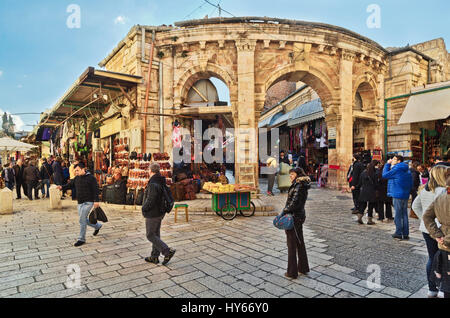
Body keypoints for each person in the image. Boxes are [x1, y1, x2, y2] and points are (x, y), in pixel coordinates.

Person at [412, 165, 449, 298]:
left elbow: (415, 206)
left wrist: (424, 220)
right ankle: (442, 288)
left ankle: (431, 288)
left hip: (427, 229)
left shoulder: (425, 190)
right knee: (444, 260)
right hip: (441, 230)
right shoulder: (443, 191)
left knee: (432, 258)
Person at [59, 162, 103, 247]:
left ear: (84, 169)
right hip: (80, 203)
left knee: (81, 220)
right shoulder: (76, 178)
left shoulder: (91, 178)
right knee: (83, 219)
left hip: (88, 202)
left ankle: (81, 239)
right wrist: (61, 187)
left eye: (78, 170)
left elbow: (95, 190)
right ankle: (97, 226)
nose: (76, 172)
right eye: (75, 171)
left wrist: (96, 201)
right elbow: (69, 185)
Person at [142, 163, 176, 266]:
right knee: (155, 234)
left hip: (153, 212)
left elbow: (151, 199)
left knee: (150, 235)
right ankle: (154, 257)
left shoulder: (153, 183)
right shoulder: (160, 180)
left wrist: (144, 208)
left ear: (150, 171)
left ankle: (167, 251)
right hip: (160, 211)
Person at [423, 175, 450, 299]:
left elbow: (426, 216)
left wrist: (438, 235)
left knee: (446, 280)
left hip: (443, 244)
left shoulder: (441, 198)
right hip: (445, 242)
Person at [281, 168, 310, 279]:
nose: (290, 176)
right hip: (298, 216)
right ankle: (303, 267)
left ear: (297, 175)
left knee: (291, 244)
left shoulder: (299, 186)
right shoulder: (300, 184)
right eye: (290, 174)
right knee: (299, 242)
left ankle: (292, 272)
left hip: (294, 217)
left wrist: (284, 211)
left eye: (292, 174)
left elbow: (294, 203)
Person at [382, 155, 413, 240]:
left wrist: (387, 164)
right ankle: (405, 233)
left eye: (394, 159)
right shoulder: (407, 169)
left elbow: (384, 175)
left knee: (398, 214)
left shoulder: (397, 169)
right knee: (404, 214)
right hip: (405, 194)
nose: (392, 160)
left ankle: (399, 232)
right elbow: (411, 183)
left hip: (397, 193)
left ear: (399, 161)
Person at [356, 160, 379, 225]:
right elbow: (376, 184)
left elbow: (360, 183)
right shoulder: (374, 174)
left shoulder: (363, 173)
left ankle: (360, 217)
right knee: (370, 206)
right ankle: (369, 220)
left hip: (364, 191)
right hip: (372, 192)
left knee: (363, 205)